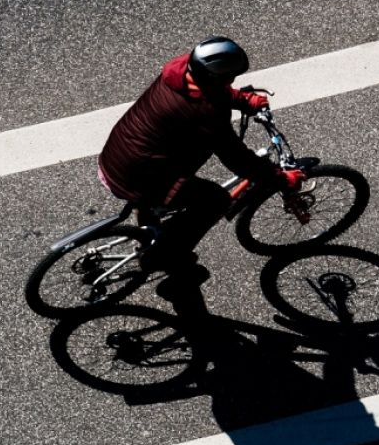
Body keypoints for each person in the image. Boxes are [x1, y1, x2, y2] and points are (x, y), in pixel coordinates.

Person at [97, 36, 287, 274]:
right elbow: (236, 158)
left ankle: (147, 214)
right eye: (229, 77)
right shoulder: (205, 113)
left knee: (169, 180)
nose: (232, 81)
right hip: (135, 178)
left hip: (117, 157)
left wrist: (242, 99)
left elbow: (210, 91)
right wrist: (278, 178)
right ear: (216, 78)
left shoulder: (179, 72)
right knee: (215, 200)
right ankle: (165, 257)